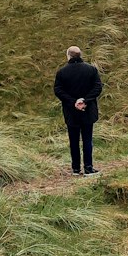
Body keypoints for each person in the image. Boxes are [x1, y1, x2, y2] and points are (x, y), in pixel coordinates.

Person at [53, 45, 103, 176]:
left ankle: (75, 169)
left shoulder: (62, 72)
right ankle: (88, 168)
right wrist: (84, 101)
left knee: (73, 140)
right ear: (80, 55)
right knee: (87, 140)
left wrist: (73, 102)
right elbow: (98, 88)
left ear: (68, 55)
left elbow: (58, 90)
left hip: (71, 112)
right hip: (88, 110)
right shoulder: (91, 70)